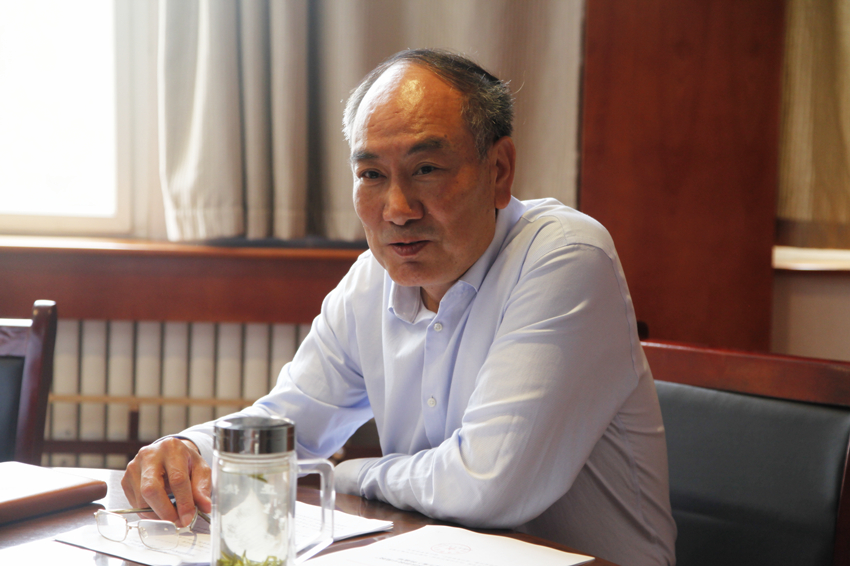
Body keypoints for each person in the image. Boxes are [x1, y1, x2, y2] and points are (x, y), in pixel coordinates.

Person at [122, 48, 677, 566]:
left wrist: (351, 475)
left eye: (427, 169)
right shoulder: (372, 279)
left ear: (499, 170)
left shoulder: (566, 256)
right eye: (371, 175)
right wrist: (190, 451)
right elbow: (290, 425)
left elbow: (488, 486)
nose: (398, 209)